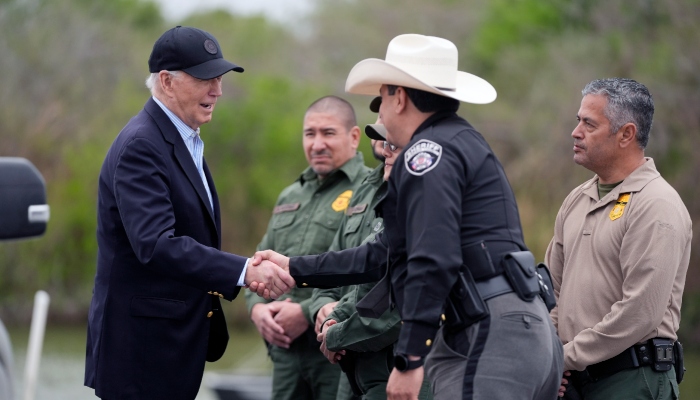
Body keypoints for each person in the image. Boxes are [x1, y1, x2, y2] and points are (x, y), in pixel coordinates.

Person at [253, 34, 563, 400]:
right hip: (512, 328)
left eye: (382, 98)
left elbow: (433, 259)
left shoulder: (425, 155)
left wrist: (409, 360)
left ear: (399, 97)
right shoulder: (457, 141)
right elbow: (384, 253)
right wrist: (294, 268)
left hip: (488, 333)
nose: (379, 113)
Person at [84, 26, 294, 399]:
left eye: (219, 79)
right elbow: (156, 245)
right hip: (142, 356)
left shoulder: (182, 138)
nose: (217, 90)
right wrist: (244, 271)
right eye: (205, 79)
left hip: (170, 350)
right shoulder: (142, 146)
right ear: (166, 81)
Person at [546, 78, 691, 399]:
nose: (576, 131)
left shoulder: (657, 204)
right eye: (577, 121)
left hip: (630, 380)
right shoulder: (576, 199)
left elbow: (639, 313)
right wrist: (550, 355)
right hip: (572, 380)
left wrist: (563, 357)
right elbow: (550, 292)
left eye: (589, 124)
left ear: (626, 134)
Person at [244, 95, 371, 400]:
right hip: (286, 353)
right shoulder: (290, 194)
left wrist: (304, 311)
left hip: (336, 349)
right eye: (309, 134)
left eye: (328, 133)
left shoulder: (370, 190)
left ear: (354, 137)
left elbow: (369, 270)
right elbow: (261, 257)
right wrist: (256, 309)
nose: (317, 144)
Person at [312, 97, 432, 400]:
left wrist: (336, 332)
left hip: (403, 368)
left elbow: (398, 299)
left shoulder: (426, 200)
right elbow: (351, 271)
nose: (382, 139)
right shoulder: (371, 189)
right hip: (359, 365)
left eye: (393, 142)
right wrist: (328, 314)